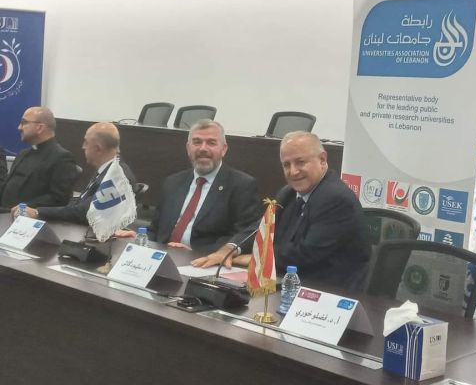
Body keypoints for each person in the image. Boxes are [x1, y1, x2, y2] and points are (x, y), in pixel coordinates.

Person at [144, 120, 262, 263]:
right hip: (160, 257)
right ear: (188, 148)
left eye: (211, 143)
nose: (203, 148)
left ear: (224, 149)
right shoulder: (172, 182)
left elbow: (244, 236)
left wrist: (194, 253)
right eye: (197, 142)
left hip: (203, 262)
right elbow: (155, 229)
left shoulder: (242, 185)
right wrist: (138, 239)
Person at [274, 131, 370, 290]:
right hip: (292, 284)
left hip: (329, 291)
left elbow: (305, 254)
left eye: (300, 162)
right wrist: (235, 249)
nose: (293, 171)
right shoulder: (287, 194)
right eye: (286, 165)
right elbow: (263, 231)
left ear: (322, 159)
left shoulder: (336, 199)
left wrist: (260, 257)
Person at [16, 122, 135, 225]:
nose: (83, 147)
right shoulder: (107, 170)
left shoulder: (117, 177)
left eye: (86, 142)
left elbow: (87, 212)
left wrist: (38, 212)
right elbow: (81, 203)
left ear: (98, 148)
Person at [0, 107, 79, 209]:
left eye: (24, 123)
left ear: (39, 127)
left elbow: (59, 198)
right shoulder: (23, 154)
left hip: (24, 215)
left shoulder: (62, 158)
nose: (19, 127)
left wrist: (23, 208)